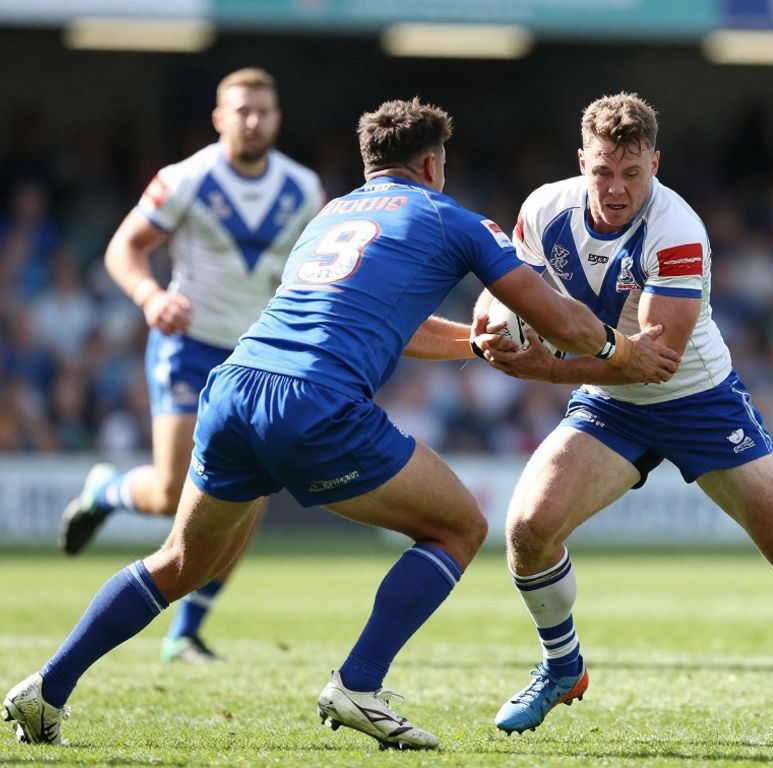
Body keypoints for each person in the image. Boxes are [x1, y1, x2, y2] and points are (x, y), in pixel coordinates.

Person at [2, 97, 679, 749]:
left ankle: (47, 687)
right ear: (433, 167)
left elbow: (387, 322)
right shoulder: (451, 218)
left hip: (234, 389)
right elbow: (561, 321)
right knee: (459, 525)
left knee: (179, 560)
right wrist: (623, 352)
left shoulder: (329, 215)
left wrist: (472, 345)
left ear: (369, 164)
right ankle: (359, 683)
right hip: (315, 403)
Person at [478, 92, 773, 742]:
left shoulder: (677, 230)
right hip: (612, 402)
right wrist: (492, 321)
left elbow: (655, 363)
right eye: (602, 172)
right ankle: (562, 668)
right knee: (529, 530)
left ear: (656, 163)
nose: (616, 189)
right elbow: (524, 298)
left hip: (696, 399)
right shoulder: (544, 209)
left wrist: (543, 368)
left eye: (632, 173)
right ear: (581, 161)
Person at [58, 68, 325, 664]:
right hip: (192, 346)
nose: (253, 120)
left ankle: (188, 631)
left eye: (263, 110)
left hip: (260, 355)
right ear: (219, 118)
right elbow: (125, 247)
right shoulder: (186, 180)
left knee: (250, 494)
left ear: (277, 118)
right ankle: (106, 490)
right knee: (172, 493)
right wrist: (152, 298)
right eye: (242, 110)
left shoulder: (303, 189)